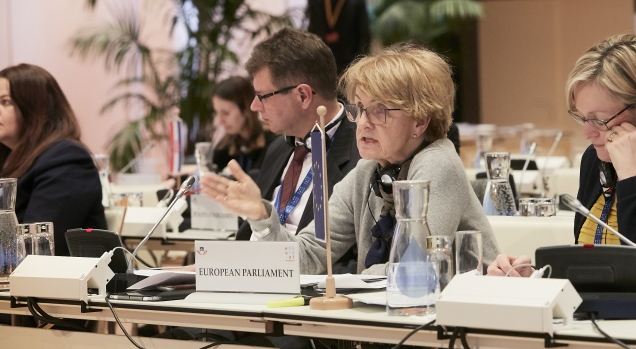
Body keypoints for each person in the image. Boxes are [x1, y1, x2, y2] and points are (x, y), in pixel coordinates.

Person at [202, 44, 499, 275]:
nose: (363, 123)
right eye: (359, 109)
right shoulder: (366, 172)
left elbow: (416, 268)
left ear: (420, 121)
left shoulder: (438, 163)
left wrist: (352, 286)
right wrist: (261, 217)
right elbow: (308, 255)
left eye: (379, 111)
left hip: (462, 328)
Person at [490, 34, 636, 298]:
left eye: (599, 120)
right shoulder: (594, 159)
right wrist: (537, 278)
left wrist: (632, 176)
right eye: (583, 118)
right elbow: (601, 273)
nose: (587, 133)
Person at [231, 28, 360, 272]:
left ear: (303, 95)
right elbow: (248, 240)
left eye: (262, 96)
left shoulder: (362, 154)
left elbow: (354, 264)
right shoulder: (278, 147)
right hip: (249, 276)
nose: (254, 106)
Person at [0, 64, 106, 256]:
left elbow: (34, 246)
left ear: (35, 108)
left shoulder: (66, 160)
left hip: (64, 275)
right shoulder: (8, 156)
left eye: (5, 102)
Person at [308, 0, 371, 75]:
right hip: (326, 61)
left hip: (350, 62)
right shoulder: (320, 2)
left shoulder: (357, 1)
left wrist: (360, 63)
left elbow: (364, 35)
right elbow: (313, 31)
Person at [211, 76, 272, 176]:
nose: (220, 121)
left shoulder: (271, 143)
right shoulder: (227, 144)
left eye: (225, 113)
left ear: (246, 110)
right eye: (217, 113)